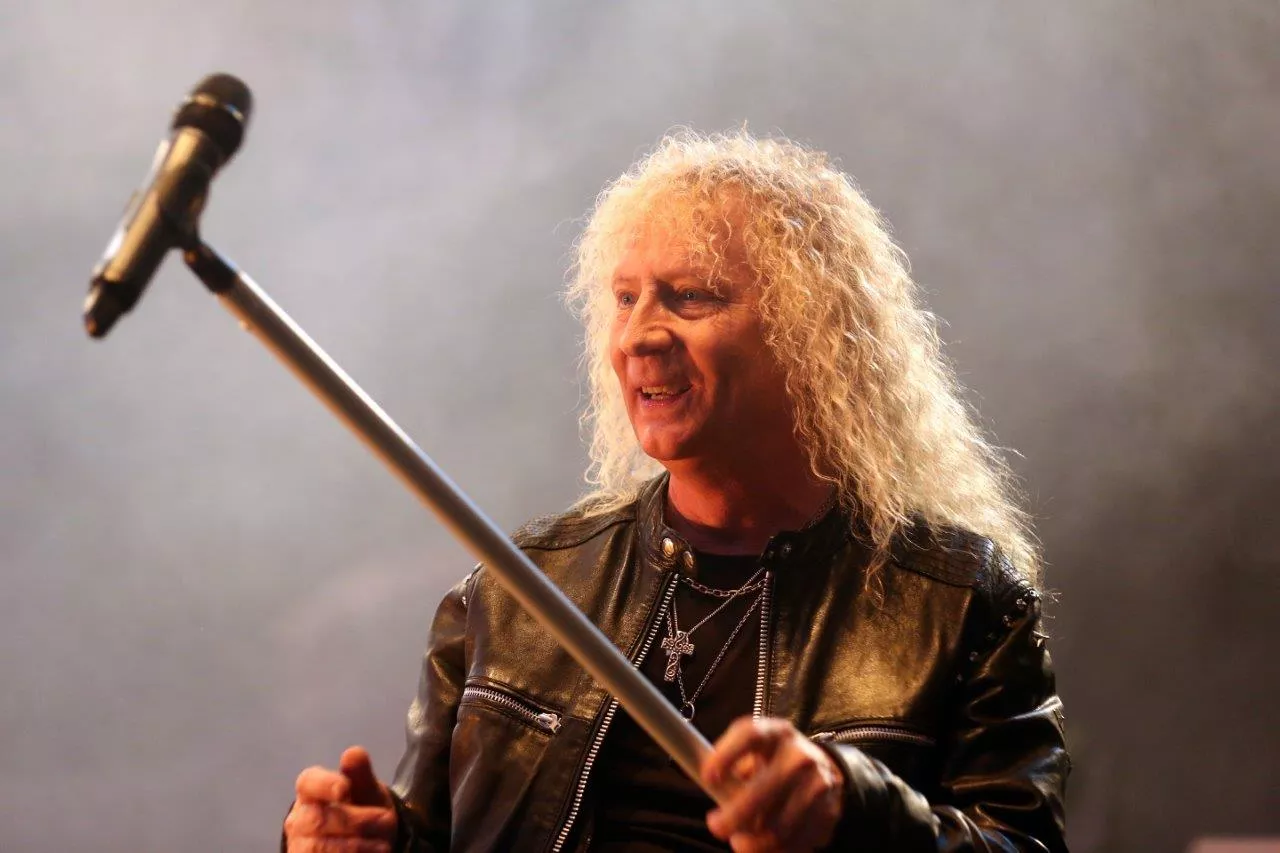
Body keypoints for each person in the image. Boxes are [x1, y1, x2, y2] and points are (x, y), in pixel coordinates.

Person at [283, 131, 1069, 852]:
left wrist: (854, 807)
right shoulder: (517, 590)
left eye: (690, 295)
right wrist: (362, 840)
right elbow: (427, 836)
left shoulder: (958, 601)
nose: (637, 335)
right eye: (626, 298)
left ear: (810, 335)